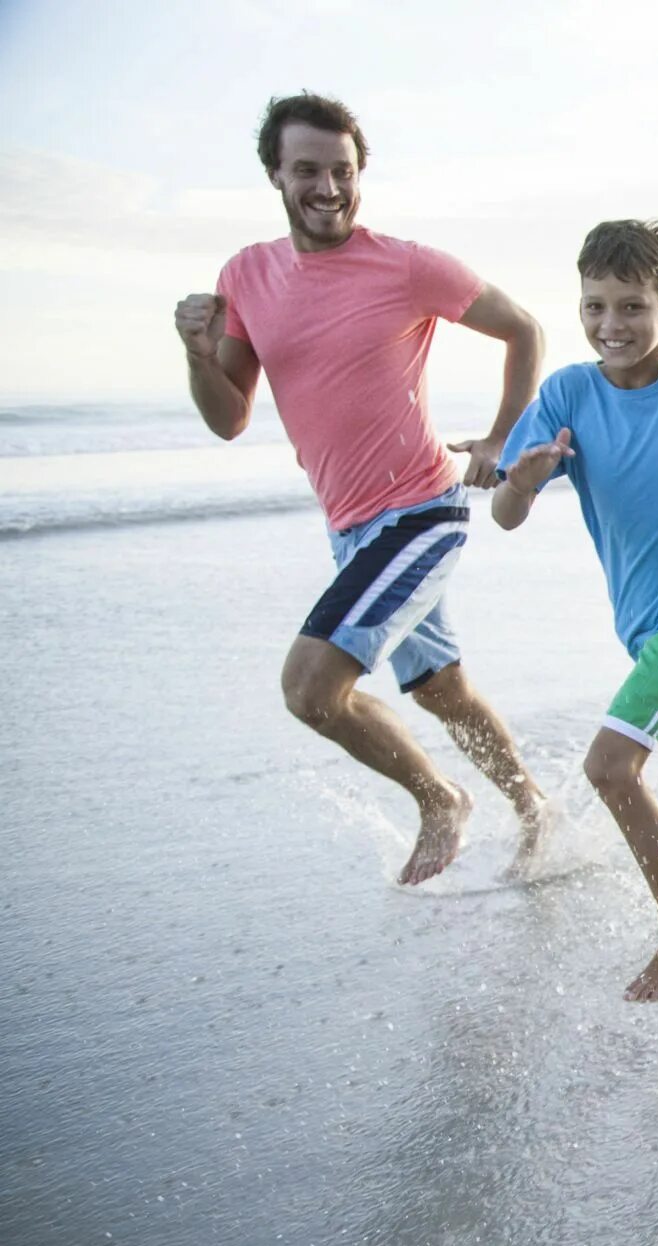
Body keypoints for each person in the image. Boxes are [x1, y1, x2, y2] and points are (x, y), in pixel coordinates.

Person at [173, 91, 549, 886]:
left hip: (422, 511)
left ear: (359, 174)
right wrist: (199, 353)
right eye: (307, 169)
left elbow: (523, 327)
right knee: (443, 690)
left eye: (342, 170)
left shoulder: (406, 265)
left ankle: (439, 798)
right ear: (275, 174)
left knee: (311, 689)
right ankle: (536, 810)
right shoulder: (246, 274)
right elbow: (228, 417)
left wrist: (502, 438)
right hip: (351, 528)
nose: (328, 187)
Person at [492, 219, 658, 1001]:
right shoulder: (567, 393)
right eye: (596, 306)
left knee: (611, 766)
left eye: (633, 308)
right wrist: (526, 476)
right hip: (644, 625)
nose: (613, 325)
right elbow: (507, 514)